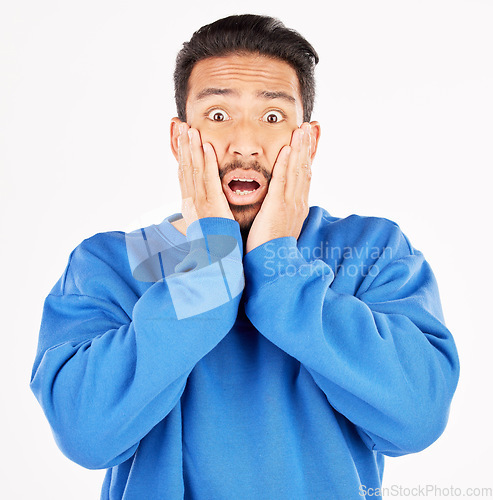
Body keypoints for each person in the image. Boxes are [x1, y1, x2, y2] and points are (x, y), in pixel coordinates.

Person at [30, 14, 460, 500]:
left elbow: (417, 417)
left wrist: (278, 267)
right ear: (179, 139)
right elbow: (86, 434)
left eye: (273, 118)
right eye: (217, 116)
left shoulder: (371, 251)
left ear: (309, 141)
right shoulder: (112, 264)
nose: (246, 145)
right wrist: (210, 266)